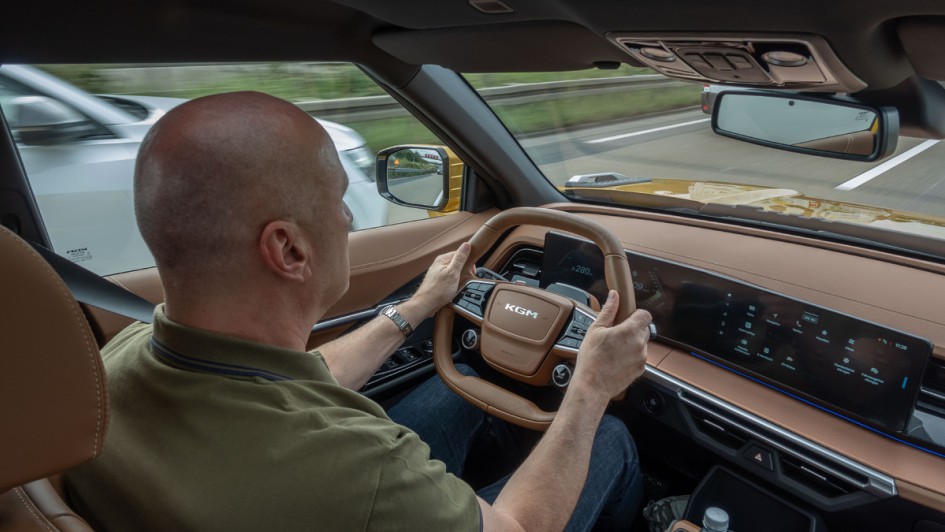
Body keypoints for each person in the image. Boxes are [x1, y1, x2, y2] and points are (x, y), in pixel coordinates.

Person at [65, 91, 654, 531]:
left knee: (463, 387)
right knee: (611, 441)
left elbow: (295, 384)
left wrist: (419, 305)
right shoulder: (357, 467)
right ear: (289, 249)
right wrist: (590, 389)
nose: (348, 220)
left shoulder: (119, 361)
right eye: (339, 201)